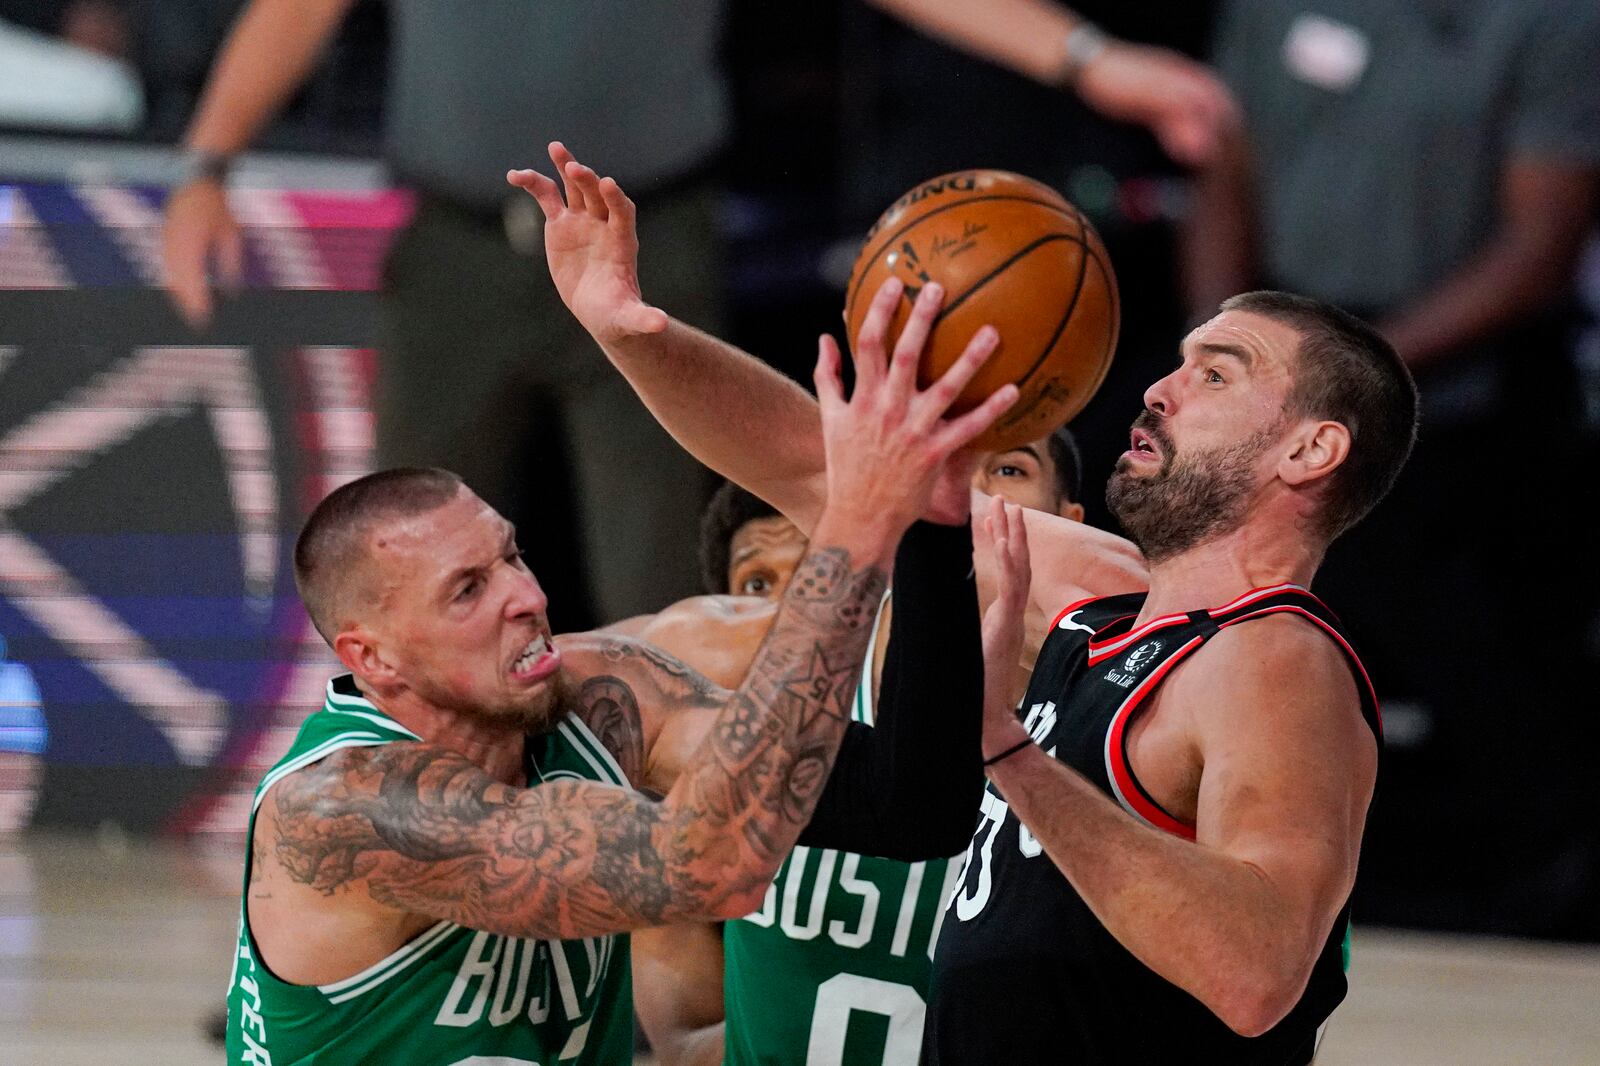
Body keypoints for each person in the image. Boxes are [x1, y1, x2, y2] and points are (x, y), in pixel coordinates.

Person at [522, 145, 1419, 1062]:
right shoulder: (1100, 610)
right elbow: (808, 462)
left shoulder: (1277, 659)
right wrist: (630, 328)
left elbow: (1256, 973)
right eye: (1178, 365)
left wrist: (1013, 758)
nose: (1158, 389)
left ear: (1310, 452)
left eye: (1216, 375)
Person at [223, 273, 1021, 1062]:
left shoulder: (607, 699)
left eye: (510, 556)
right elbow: (709, 867)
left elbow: (913, 805)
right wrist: (852, 528)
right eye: (468, 591)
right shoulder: (343, 810)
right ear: (373, 657)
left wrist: (927, 529)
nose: (527, 597)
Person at [1184, 0, 1600, 932]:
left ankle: (1546, 882)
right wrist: (1227, 358)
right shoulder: (1267, 10)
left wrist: (1338, 381)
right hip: (1287, 344)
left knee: (1463, 618)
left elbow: (1540, 249)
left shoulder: (1555, 22)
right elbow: (1225, 177)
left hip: (1459, 383)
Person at [627, 433, 1105, 1065]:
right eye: (945, 468)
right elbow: (680, 1035)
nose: (970, 496)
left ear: (1074, 524)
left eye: (1008, 469)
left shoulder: (1121, 714)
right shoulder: (749, 667)